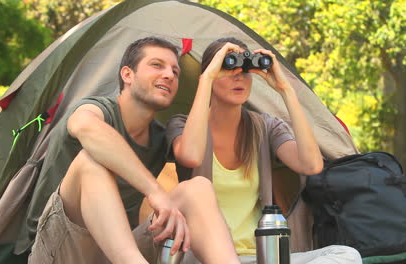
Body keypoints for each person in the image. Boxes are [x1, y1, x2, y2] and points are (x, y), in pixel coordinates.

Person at [28, 37, 241, 264]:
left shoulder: (159, 137)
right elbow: (83, 125)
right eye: (157, 65)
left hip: (115, 254)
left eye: (175, 72)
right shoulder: (97, 109)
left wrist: (206, 79)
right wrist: (155, 190)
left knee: (198, 188)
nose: (169, 75)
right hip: (59, 250)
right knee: (91, 161)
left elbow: (192, 156)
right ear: (127, 75)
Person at [167, 37, 362, 264]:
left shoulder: (265, 127)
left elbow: (311, 164)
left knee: (347, 255)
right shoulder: (182, 125)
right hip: (202, 255)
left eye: (246, 70)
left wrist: (286, 90)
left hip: (259, 256)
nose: (238, 76)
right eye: (228, 67)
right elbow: (190, 155)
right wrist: (206, 79)